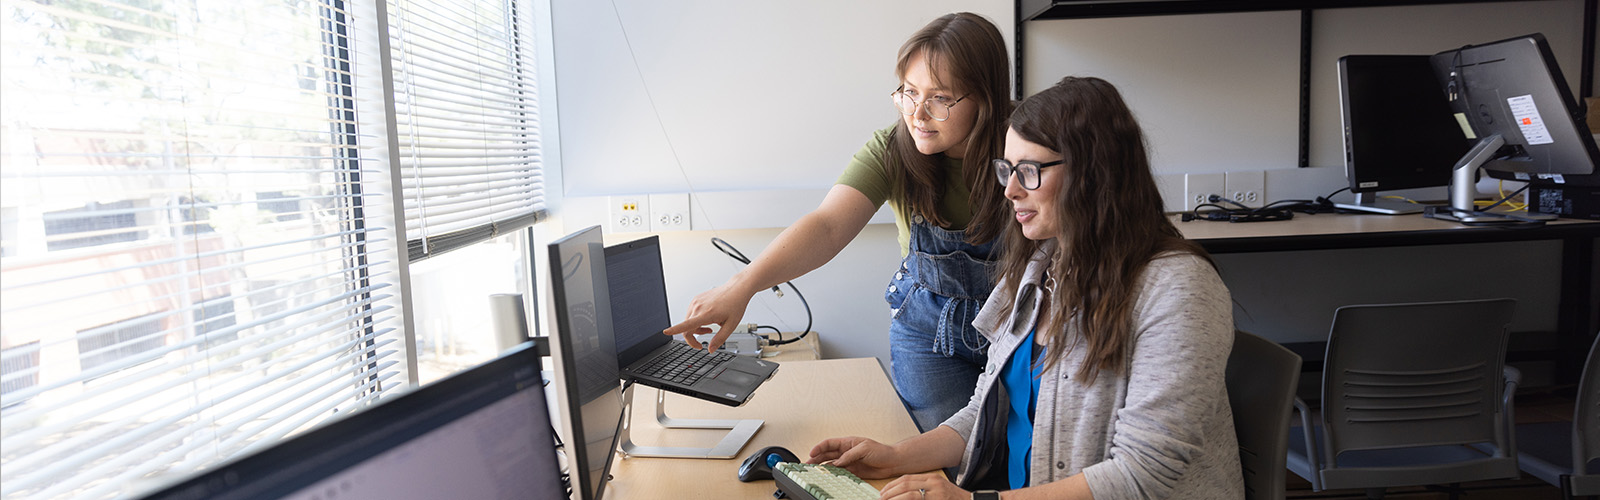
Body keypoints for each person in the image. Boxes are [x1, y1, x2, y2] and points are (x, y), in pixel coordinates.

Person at [807, 76, 1243, 500]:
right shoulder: (1041, 266)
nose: (1010, 190)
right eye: (1007, 170)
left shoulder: (1179, 289)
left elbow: (1142, 474)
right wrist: (894, 457)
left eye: (1029, 171)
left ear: (1094, 175)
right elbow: (988, 408)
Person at [661, 12, 1013, 432]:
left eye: (939, 98)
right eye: (908, 92)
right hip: (929, 339)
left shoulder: (1028, 144)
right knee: (952, 468)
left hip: (1021, 329)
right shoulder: (892, 149)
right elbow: (827, 226)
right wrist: (742, 286)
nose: (917, 114)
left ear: (985, 98)